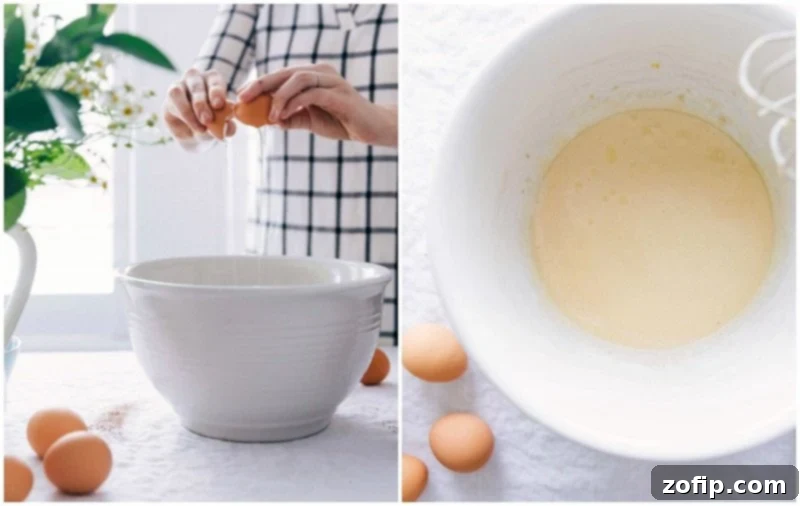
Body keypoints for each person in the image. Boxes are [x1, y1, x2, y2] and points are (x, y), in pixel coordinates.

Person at [162, 4, 398, 342]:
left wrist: (385, 122)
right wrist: (188, 111)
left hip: (403, 262)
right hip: (286, 263)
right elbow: (206, 109)